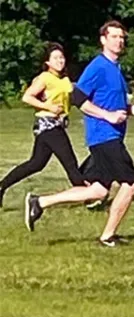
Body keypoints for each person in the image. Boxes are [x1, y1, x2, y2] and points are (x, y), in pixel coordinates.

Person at [25, 20, 134, 247]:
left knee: (99, 190)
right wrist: (107, 116)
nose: (119, 41)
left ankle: (39, 202)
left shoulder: (116, 69)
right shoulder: (98, 66)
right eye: (113, 37)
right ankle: (107, 236)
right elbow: (78, 98)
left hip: (112, 135)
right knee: (131, 183)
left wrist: (133, 110)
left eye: (121, 37)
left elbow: (113, 105)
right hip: (103, 137)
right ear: (103, 40)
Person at [0, 43, 88, 207]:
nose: (60, 61)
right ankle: (88, 196)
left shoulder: (65, 79)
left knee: (36, 163)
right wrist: (49, 107)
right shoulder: (44, 78)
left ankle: (1, 186)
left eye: (61, 57)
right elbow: (27, 97)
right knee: (71, 164)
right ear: (47, 62)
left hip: (57, 125)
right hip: (48, 125)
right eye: (55, 58)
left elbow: (73, 98)